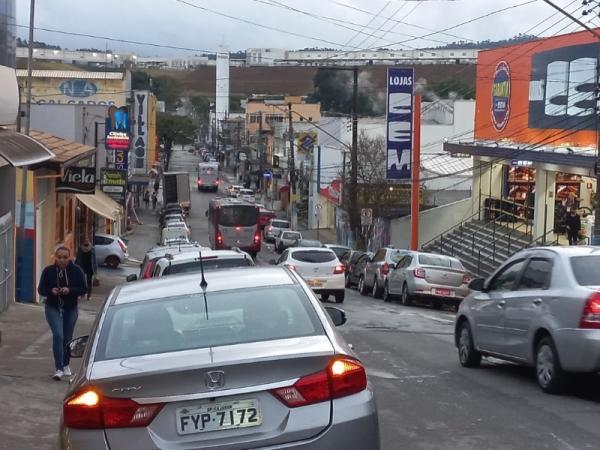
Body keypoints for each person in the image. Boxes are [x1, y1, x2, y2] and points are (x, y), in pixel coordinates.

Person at [38, 246, 87, 380]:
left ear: (69, 257)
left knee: (67, 338)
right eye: (59, 257)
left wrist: (69, 290)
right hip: (52, 307)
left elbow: (83, 289)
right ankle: (58, 368)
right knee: (58, 335)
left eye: (65, 257)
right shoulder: (48, 271)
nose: (62, 260)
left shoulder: (76, 271)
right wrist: (51, 291)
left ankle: (66, 364)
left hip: (70, 308)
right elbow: (41, 289)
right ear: (55, 257)